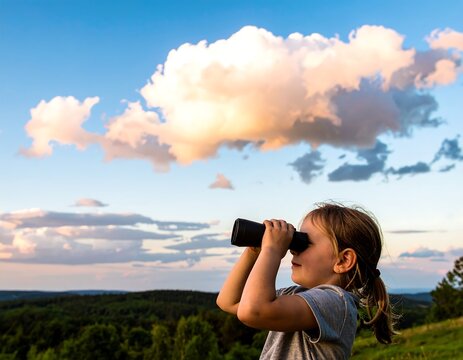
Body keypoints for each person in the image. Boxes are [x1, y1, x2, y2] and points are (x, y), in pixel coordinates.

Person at [216, 202, 396, 359]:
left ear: (343, 261)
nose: (293, 250)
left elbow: (252, 311)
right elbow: (229, 301)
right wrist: (254, 252)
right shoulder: (295, 295)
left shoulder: (337, 302)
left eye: (304, 242)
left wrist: (271, 250)